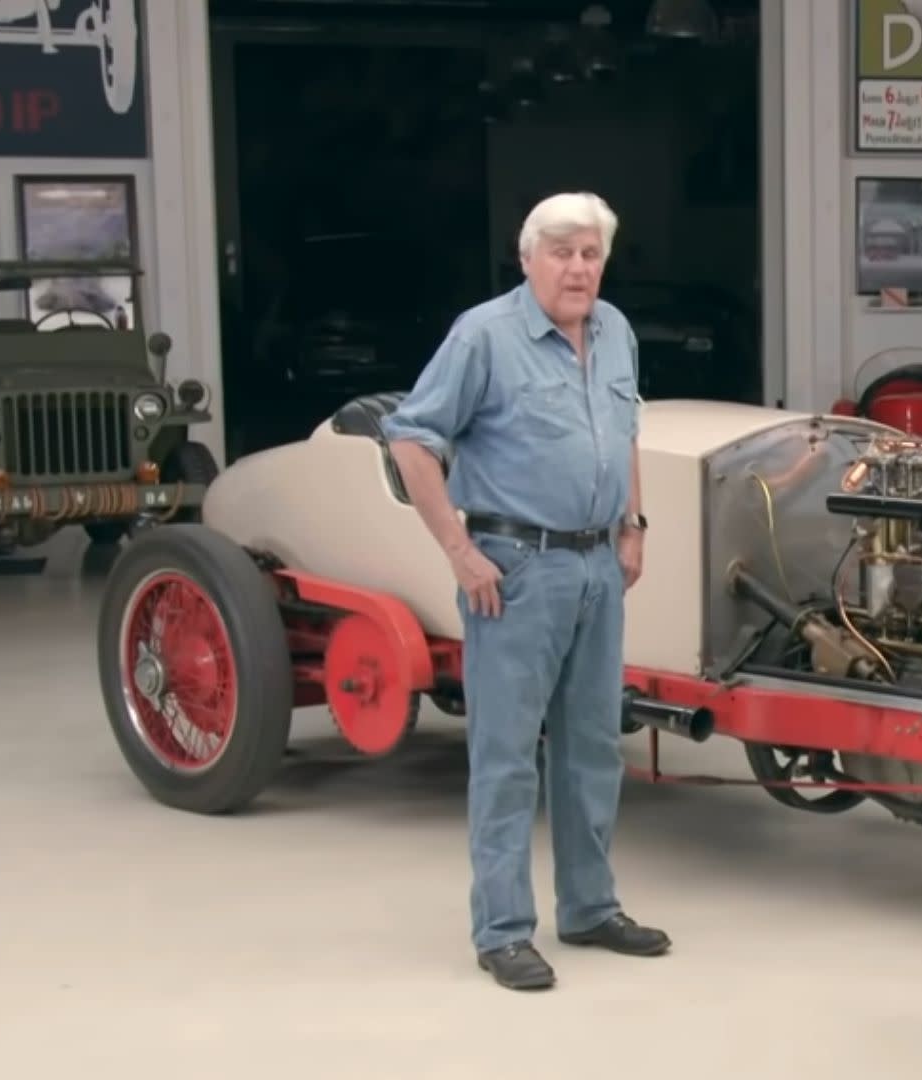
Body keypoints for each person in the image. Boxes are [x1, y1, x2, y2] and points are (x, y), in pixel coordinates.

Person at [380, 192, 668, 991]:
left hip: (596, 567)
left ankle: (588, 907)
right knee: (507, 757)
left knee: (592, 748)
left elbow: (627, 429)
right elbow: (410, 439)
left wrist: (633, 526)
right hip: (516, 569)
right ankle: (503, 929)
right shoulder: (485, 336)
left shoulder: (615, 331)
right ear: (528, 257)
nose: (578, 269)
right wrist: (459, 551)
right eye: (562, 252)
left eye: (591, 254)